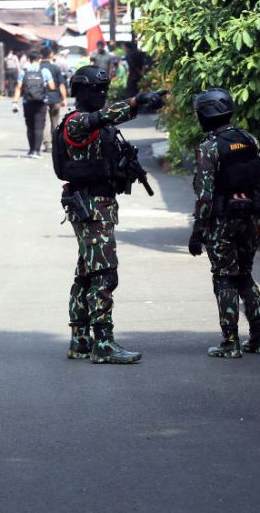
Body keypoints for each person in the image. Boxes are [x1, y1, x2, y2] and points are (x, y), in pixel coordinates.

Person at [53, 65, 166, 364]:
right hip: (91, 207)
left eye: (105, 89)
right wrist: (136, 100)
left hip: (96, 205)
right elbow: (102, 117)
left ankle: (80, 340)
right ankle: (103, 343)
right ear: (82, 92)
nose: (102, 95)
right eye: (97, 89)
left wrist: (139, 104)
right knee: (104, 274)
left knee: (87, 273)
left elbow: (108, 119)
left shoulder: (91, 121)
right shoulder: (76, 122)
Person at [188, 88, 260, 358]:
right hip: (248, 218)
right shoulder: (248, 139)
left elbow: (204, 196)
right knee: (245, 276)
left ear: (206, 115)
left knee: (224, 279)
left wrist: (197, 233)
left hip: (221, 222)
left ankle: (230, 342)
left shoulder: (209, 147)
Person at [12, 50, 53, 158]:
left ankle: (31, 150)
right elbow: (52, 86)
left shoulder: (24, 71)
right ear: (39, 59)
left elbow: (18, 87)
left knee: (30, 126)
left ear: (29, 59)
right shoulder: (45, 71)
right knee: (39, 127)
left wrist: (15, 102)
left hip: (27, 102)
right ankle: (36, 151)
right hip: (41, 102)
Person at [39, 47, 68, 153]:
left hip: (42, 99)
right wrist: (64, 99)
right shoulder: (56, 68)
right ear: (51, 55)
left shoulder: (39, 67)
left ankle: (48, 145)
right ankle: (55, 144)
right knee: (55, 122)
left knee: (44, 123)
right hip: (55, 98)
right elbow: (61, 85)